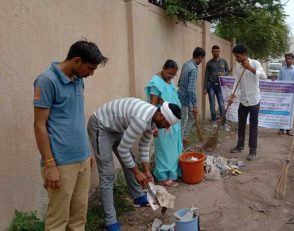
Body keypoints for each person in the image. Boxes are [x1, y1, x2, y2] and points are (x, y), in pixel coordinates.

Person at [33, 40, 107, 230]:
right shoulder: (47, 81)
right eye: (90, 68)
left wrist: (87, 151)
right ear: (76, 61)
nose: (90, 74)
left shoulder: (78, 81)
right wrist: (49, 165)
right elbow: (39, 125)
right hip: (61, 163)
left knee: (78, 218)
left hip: (82, 159)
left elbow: (76, 119)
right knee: (58, 221)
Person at [87, 98, 181, 230]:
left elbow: (143, 145)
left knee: (130, 159)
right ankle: (110, 221)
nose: (167, 127)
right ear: (161, 115)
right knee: (107, 175)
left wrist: (147, 172)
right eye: (167, 124)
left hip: (115, 127)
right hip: (101, 126)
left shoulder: (154, 119)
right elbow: (122, 149)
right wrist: (137, 172)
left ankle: (137, 197)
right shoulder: (141, 120)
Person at [145, 59, 182, 187]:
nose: (171, 77)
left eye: (173, 75)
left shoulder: (168, 81)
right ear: (163, 68)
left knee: (173, 149)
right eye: (169, 73)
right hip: (162, 122)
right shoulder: (156, 83)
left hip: (173, 121)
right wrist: (154, 126)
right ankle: (162, 176)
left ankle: (172, 174)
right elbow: (153, 105)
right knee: (163, 150)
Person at [228, 44, 267, 161]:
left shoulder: (255, 63)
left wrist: (250, 68)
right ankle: (240, 146)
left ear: (244, 54)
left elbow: (264, 76)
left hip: (254, 100)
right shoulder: (238, 66)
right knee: (241, 124)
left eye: (238, 56)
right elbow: (237, 82)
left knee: (253, 126)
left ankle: (253, 150)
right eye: (235, 56)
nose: (236, 59)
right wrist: (232, 95)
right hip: (243, 100)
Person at [178, 47, 206, 146]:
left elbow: (179, 81)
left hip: (180, 95)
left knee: (189, 117)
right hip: (186, 98)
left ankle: (183, 137)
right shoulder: (193, 69)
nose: (202, 61)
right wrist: (194, 105)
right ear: (200, 57)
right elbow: (191, 89)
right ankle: (180, 142)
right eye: (202, 59)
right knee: (184, 119)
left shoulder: (186, 64)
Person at [204, 45, 230, 129]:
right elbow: (206, 75)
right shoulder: (209, 63)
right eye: (214, 51)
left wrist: (224, 74)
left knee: (222, 105)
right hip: (211, 85)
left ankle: (224, 123)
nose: (216, 53)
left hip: (220, 87)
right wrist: (205, 87)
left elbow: (228, 71)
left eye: (217, 51)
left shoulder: (224, 62)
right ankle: (214, 121)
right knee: (212, 104)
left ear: (219, 52)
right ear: (211, 52)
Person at [276, 52, 294, 136]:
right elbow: (278, 81)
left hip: (292, 95)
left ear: (293, 60)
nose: (288, 60)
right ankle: (281, 129)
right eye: (286, 59)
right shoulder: (282, 69)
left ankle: (289, 129)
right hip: (283, 94)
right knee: (282, 111)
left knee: (290, 111)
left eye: (289, 58)